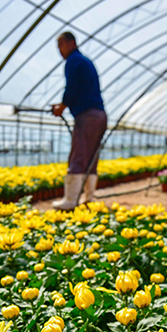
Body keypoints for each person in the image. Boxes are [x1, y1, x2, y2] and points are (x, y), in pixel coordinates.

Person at [51, 32, 106, 210]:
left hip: (87, 115)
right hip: (99, 115)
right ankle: (88, 198)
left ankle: (70, 201)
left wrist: (62, 106)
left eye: (61, 46)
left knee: (78, 156)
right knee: (91, 158)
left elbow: (72, 88)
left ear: (71, 43)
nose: (60, 51)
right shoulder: (85, 61)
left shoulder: (73, 61)